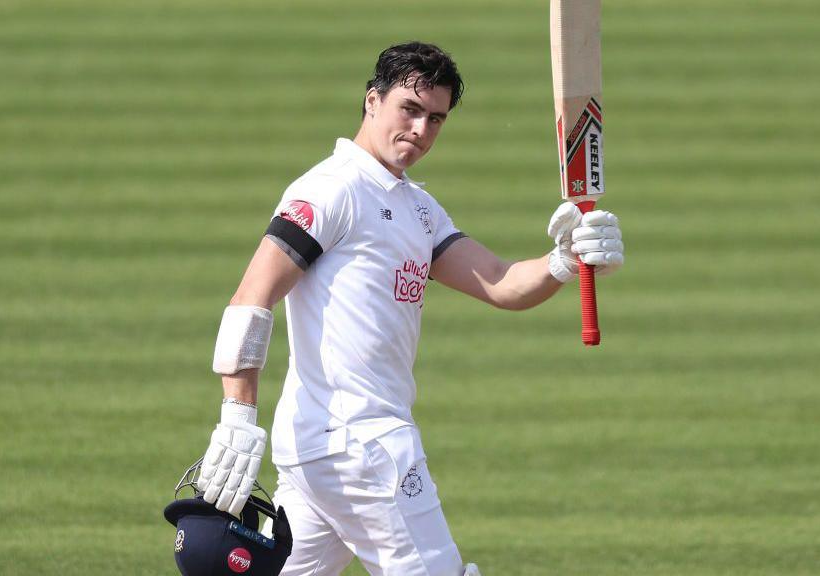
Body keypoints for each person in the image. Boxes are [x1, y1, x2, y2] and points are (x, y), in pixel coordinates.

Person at [195, 41, 624, 576]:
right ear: (372, 101)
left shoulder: (417, 209)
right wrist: (237, 419)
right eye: (410, 110)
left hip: (323, 453)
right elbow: (249, 302)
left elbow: (501, 282)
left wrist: (563, 260)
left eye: (436, 119)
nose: (421, 130)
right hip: (364, 447)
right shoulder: (332, 190)